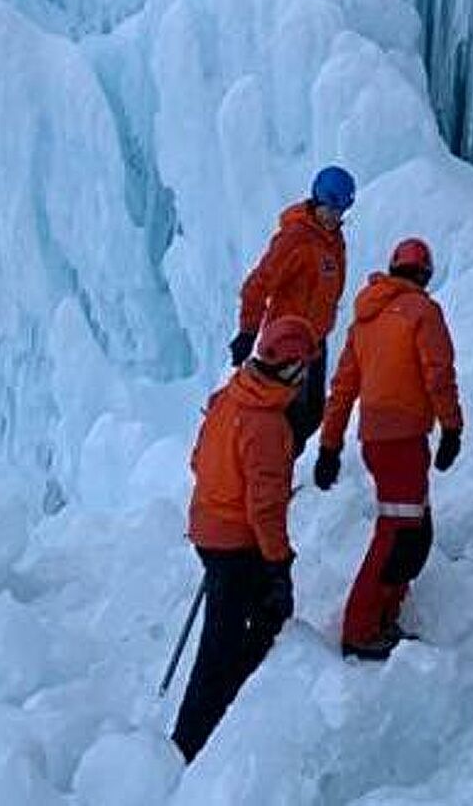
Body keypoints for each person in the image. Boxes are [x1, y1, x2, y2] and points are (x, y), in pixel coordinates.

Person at [172, 314, 314, 762]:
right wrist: (278, 564)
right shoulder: (266, 424)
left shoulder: (229, 398)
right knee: (232, 641)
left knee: (232, 633)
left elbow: (198, 459)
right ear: (290, 369)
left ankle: (212, 724)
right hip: (237, 544)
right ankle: (194, 743)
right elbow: (264, 510)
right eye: (304, 369)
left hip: (209, 530)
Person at [314, 237, 464, 659]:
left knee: (413, 530)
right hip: (403, 442)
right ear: (425, 274)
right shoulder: (422, 312)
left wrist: (329, 446)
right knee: (399, 533)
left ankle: (383, 615)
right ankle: (361, 629)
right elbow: (438, 373)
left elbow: (343, 388)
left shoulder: (365, 320)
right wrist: (452, 427)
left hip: (378, 443)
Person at [234, 165, 354, 456]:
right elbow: (257, 285)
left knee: (311, 413)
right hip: (286, 345)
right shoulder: (295, 239)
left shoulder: (334, 240)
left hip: (314, 343)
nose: (334, 216)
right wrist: (247, 332)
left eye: (340, 211)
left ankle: (278, 467)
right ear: (317, 200)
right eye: (330, 208)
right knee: (289, 418)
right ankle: (269, 471)